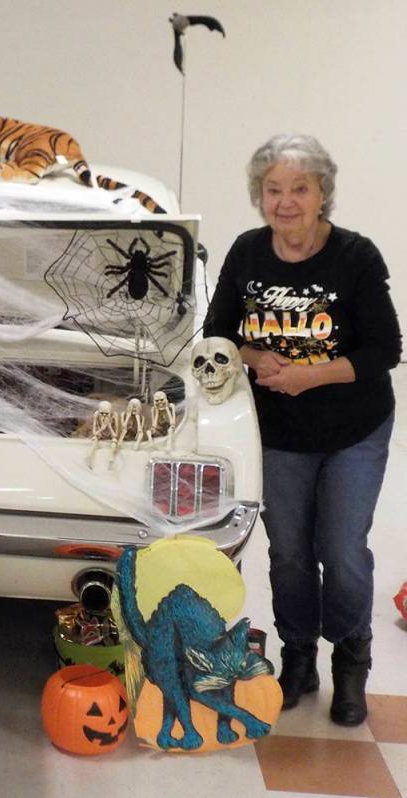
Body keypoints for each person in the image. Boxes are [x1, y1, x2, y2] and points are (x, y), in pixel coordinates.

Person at [204, 133, 401, 726]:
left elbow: (386, 350)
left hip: (353, 428)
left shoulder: (355, 257)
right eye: (273, 190)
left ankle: (350, 660)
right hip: (280, 432)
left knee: (340, 552)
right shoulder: (246, 253)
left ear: (322, 195)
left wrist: (311, 376)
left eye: (299, 188)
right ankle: (298, 658)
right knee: (289, 554)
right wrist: (253, 357)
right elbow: (218, 332)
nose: (285, 202)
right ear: (259, 195)